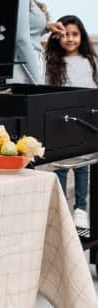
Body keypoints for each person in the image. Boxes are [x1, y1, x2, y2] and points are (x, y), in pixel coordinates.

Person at [45, 14, 98, 229]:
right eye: (65, 34)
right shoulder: (53, 64)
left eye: (75, 34)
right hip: (61, 121)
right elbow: (46, 90)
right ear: (57, 37)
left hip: (83, 121)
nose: (70, 39)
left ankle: (81, 209)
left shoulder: (89, 62)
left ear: (82, 37)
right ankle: (62, 210)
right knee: (60, 166)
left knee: (82, 165)